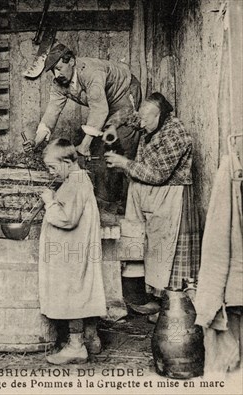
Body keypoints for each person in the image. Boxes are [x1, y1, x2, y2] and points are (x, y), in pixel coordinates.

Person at [105, 92, 200, 321]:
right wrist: (112, 125)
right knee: (150, 247)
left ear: (162, 114)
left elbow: (158, 174)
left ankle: (174, 308)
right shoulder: (150, 119)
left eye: (148, 118)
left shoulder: (176, 134)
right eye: (143, 117)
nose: (142, 123)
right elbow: (133, 117)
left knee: (171, 253)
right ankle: (157, 302)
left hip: (172, 198)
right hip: (152, 196)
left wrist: (125, 163)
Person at [23, 42, 141, 208]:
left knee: (122, 141)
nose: (56, 75)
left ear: (71, 61)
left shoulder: (91, 72)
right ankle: (107, 200)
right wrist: (36, 140)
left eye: (59, 68)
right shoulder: (58, 83)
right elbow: (51, 112)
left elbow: (99, 111)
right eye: (53, 71)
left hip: (124, 94)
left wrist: (84, 144)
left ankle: (130, 203)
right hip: (104, 103)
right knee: (101, 144)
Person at [38, 138, 106, 364]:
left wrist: (49, 202)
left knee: (73, 292)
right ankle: (90, 337)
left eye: (52, 167)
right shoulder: (76, 179)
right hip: (76, 248)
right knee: (84, 288)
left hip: (72, 252)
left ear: (67, 161)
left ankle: (76, 346)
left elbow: (68, 219)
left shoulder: (76, 182)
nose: (50, 172)